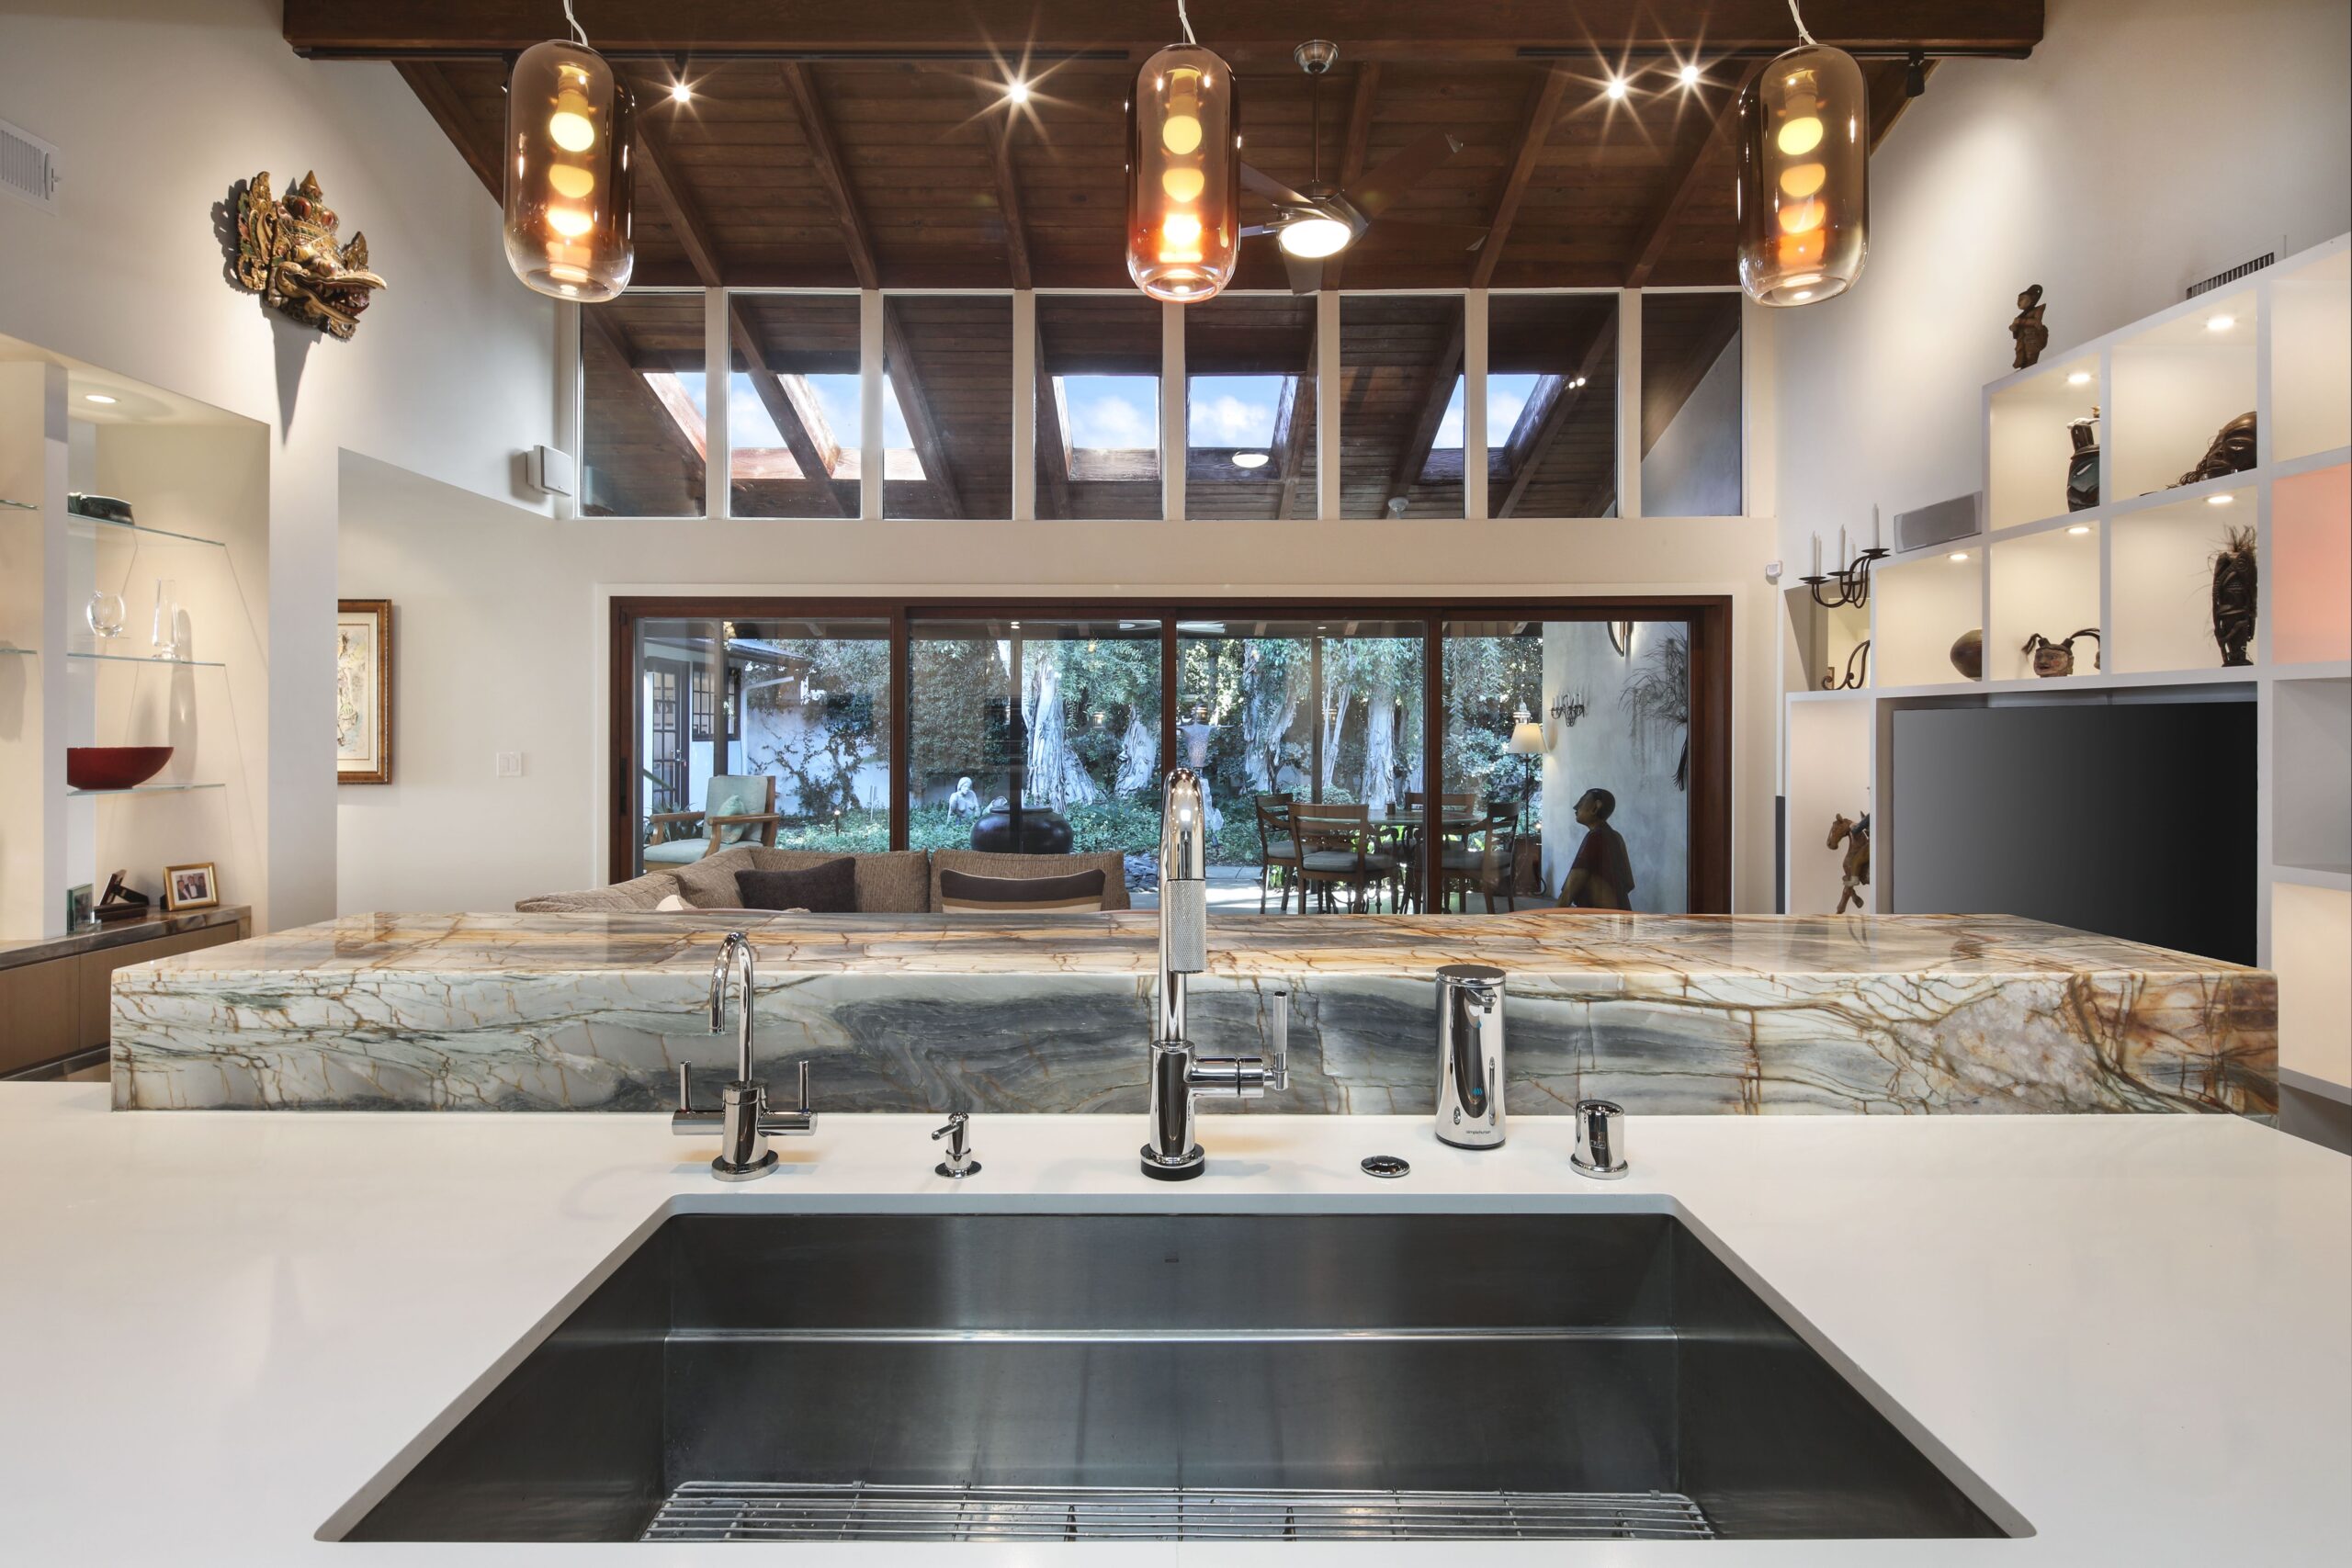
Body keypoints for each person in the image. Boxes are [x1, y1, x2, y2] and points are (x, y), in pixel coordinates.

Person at [1559, 787, 1634, 910]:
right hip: (1622, 912)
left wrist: (1551, 915)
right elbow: (1629, 884)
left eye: (1582, 801)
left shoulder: (1595, 837)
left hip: (1600, 916)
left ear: (1595, 807)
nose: (1576, 807)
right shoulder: (1617, 836)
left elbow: (1570, 889)